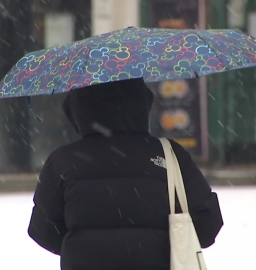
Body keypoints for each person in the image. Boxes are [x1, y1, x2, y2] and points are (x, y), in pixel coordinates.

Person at [28, 78, 223, 270]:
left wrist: (82, 246)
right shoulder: (169, 155)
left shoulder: (63, 161)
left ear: (76, 108)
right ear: (143, 102)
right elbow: (207, 223)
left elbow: (43, 230)